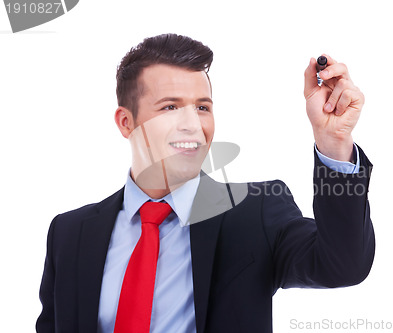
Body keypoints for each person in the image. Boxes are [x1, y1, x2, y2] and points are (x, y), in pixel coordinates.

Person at [36, 33, 375, 333]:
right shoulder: (69, 233)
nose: (191, 125)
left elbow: (343, 265)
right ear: (127, 123)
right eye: (170, 107)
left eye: (202, 107)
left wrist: (334, 144)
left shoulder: (254, 213)